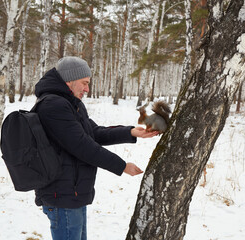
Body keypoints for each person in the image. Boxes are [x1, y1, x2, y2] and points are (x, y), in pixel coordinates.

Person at [34, 56, 157, 240]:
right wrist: (122, 166)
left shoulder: (70, 104)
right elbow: (83, 146)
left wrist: (131, 132)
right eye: (84, 83)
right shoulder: (54, 106)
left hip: (73, 193)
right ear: (69, 80)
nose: (87, 89)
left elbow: (93, 132)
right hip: (62, 195)